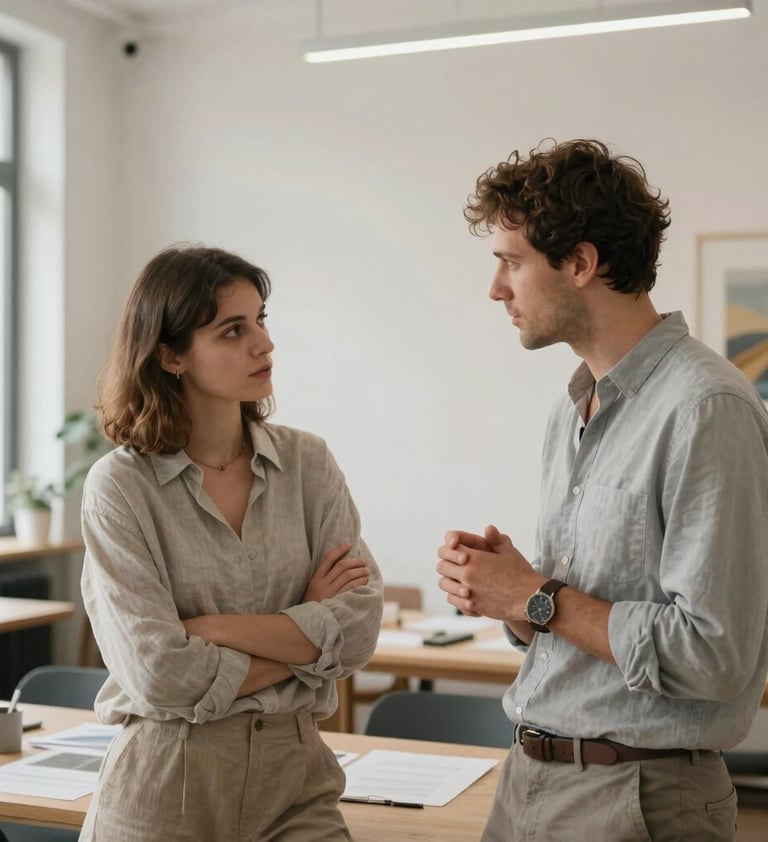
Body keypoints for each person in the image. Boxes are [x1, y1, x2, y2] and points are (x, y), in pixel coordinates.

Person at [436, 139, 768, 841]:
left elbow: (713, 655)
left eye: (511, 261)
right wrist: (514, 597)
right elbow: (576, 619)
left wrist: (537, 596)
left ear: (581, 263)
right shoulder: (572, 409)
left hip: (639, 798)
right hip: (530, 781)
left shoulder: (706, 408)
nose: (496, 289)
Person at [80, 245, 383, 841]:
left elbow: (358, 630)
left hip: (297, 783)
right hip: (165, 786)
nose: (264, 344)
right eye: (232, 330)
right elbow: (159, 673)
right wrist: (303, 640)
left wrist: (210, 628)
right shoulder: (120, 487)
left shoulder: (308, 463)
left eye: (260, 320)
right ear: (171, 355)